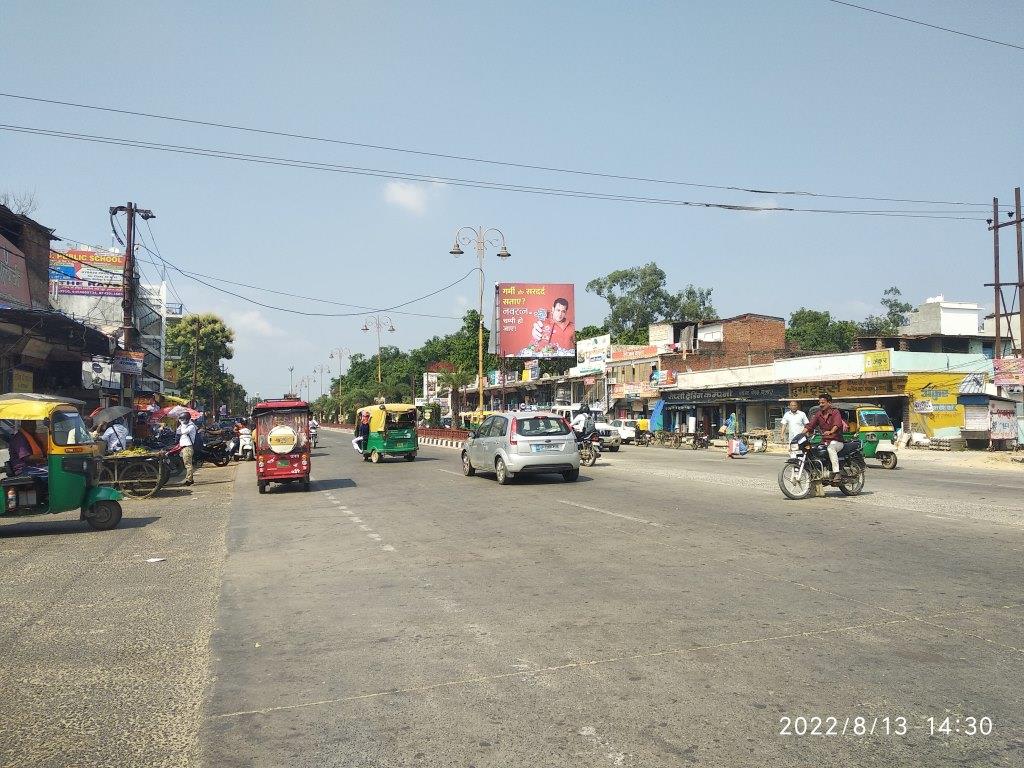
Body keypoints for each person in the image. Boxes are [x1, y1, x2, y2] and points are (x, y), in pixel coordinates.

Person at [804, 392, 845, 478]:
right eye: (819, 403)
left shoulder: (835, 412)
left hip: (836, 441)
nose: (821, 405)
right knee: (813, 450)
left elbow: (837, 424)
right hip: (824, 441)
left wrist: (831, 431)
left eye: (823, 403)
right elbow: (810, 425)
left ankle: (836, 472)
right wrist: (801, 434)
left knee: (831, 448)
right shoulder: (819, 414)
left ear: (829, 403)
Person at [176, 412, 198, 486]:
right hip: (184, 448)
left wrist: (182, 424)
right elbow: (178, 432)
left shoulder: (191, 426)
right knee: (187, 464)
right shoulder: (186, 426)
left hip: (188, 447)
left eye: (182, 419)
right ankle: (189, 479)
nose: (181, 421)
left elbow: (183, 432)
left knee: (188, 464)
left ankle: (189, 480)